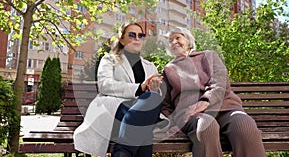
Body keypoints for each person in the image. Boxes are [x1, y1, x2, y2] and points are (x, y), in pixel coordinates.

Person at [161, 27, 266, 157]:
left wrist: (206, 101)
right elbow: (166, 104)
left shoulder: (209, 56)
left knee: (244, 125)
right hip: (191, 114)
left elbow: (220, 83)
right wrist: (173, 123)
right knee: (206, 125)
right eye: (170, 40)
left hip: (225, 107)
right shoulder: (168, 69)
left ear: (188, 40)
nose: (174, 42)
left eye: (178, 37)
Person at [73, 22, 166, 157]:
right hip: (114, 113)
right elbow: (105, 85)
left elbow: (153, 98)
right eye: (132, 35)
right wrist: (139, 88)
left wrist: (154, 90)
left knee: (151, 100)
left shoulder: (149, 66)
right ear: (122, 39)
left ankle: (122, 152)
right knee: (142, 126)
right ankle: (122, 152)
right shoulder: (109, 59)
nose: (137, 38)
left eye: (141, 35)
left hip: (139, 116)